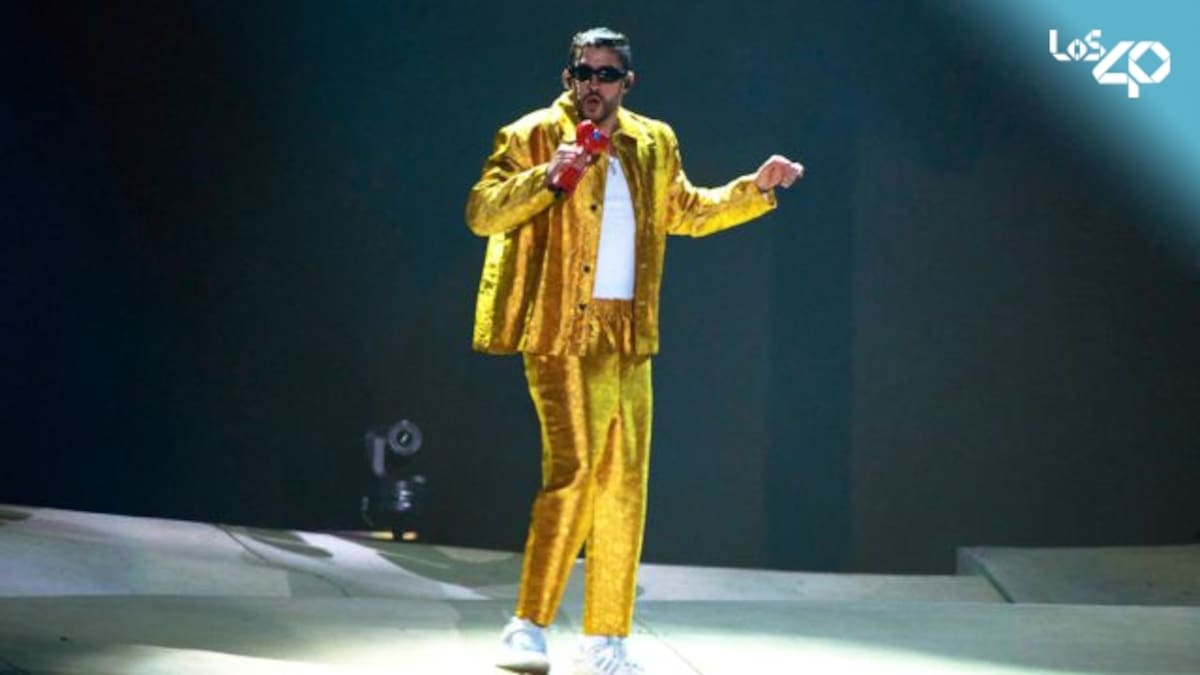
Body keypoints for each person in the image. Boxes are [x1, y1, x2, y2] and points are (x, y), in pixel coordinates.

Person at [465, 27, 803, 675]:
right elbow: (482, 211)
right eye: (583, 72)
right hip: (562, 332)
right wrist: (549, 175)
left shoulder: (653, 141)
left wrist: (754, 189)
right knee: (575, 473)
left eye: (606, 74)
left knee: (623, 486)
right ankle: (527, 623)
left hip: (628, 335)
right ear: (567, 77)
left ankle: (605, 638)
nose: (593, 85)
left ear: (627, 82)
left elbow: (687, 211)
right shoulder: (532, 135)